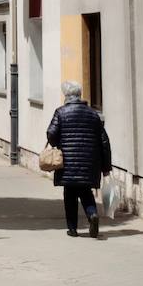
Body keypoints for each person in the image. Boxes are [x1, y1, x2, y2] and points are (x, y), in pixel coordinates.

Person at [45, 80, 112, 239]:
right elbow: (104, 141)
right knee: (86, 192)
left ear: (66, 96)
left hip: (67, 163)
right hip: (89, 163)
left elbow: (51, 134)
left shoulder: (60, 113)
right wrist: (106, 167)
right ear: (79, 95)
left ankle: (72, 229)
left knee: (70, 194)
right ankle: (92, 214)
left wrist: (57, 143)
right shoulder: (93, 114)